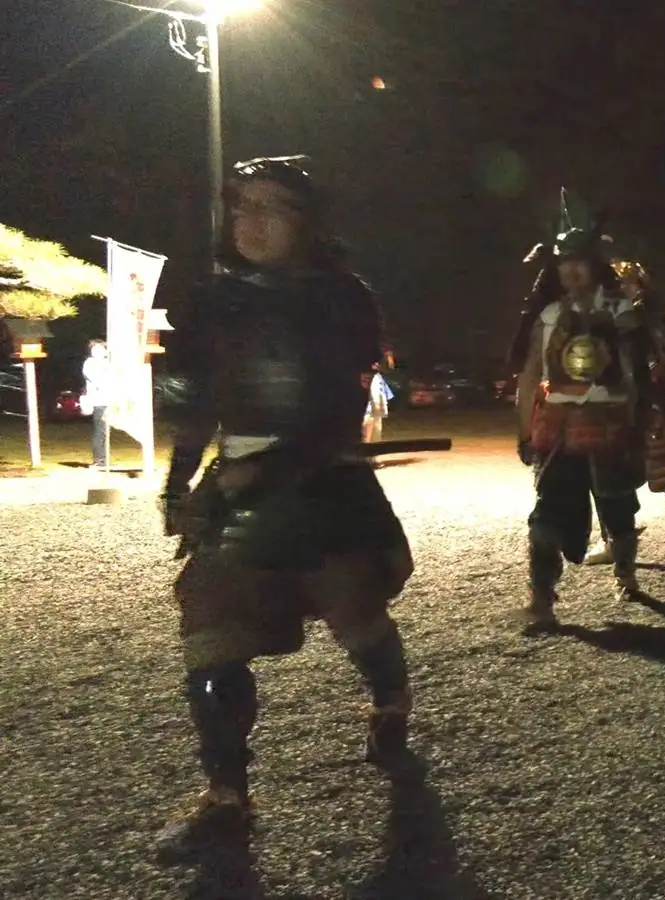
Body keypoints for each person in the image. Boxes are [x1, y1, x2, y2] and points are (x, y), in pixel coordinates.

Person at [156, 156, 415, 858]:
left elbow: (339, 409)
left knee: (357, 618)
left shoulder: (341, 297)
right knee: (210, 635)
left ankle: (391, 701)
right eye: (242, 205)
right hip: (236, 486)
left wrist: (264, 468)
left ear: (308, 222)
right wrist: (180, 483)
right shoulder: (214, 298)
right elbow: (197, 404)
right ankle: (225, 795)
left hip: (321, 484)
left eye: (271, 207)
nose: (252, 220)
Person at [515, 226, 652, 626]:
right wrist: (524, 429)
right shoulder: (547, 316)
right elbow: (529, 374)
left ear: (593, 266)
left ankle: (625, 575)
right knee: (545, 518)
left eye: (578, 262)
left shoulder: (620, 311)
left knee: (619, 511)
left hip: (610, 426)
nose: (571, 271)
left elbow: (635, 371)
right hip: (556, 429)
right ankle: (541, 600)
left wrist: (638, 422)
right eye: (564, 264)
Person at [585, 259, 665, 561]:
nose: (622, 289)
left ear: (639, 287)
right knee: (606, 477)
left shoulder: (652, 323)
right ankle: (612, 539)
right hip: (610, 409)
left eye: (628, 283)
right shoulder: (600, 321)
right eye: (617, 284)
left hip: (651, 406)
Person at [81, 339, 110, 469]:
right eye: (94, 349)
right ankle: (98, 459)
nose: (97, 352)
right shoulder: (89, 363)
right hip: (98, 400)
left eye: (101, 349)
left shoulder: (107, 363)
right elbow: (99, 380)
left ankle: (104, 459)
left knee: (105, 432)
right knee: (100, 431)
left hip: (108, 400)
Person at [363, 363, 392, 444]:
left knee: (376, 427)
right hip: (369, 405)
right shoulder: (366, 376)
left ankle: (374, 445)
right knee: (368, 422)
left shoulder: (378, 376)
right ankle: (367, 444)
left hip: (377, 403)